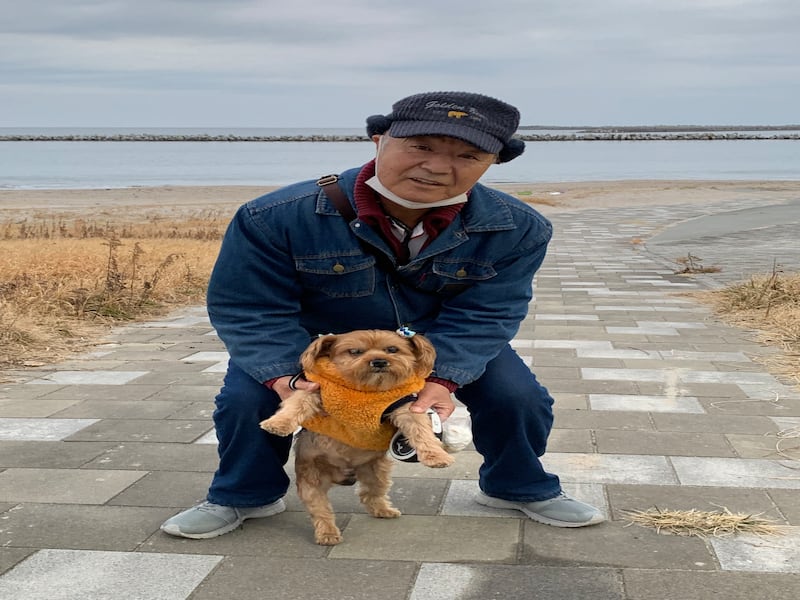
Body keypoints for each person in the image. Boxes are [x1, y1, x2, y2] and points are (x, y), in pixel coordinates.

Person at [161, 91, 604, 539]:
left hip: (434, 341)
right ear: (379, 140)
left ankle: (516, 485)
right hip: (321, 344)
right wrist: (285, 376)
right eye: (421, 146)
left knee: (517, 396)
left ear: (493, 161)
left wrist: (441, 379)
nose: (437, 167)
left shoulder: (519, 227)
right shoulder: (273, 217)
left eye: (468, 155)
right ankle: (243, 494)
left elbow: (487, 313)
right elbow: (249, 308)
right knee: (245, 399)